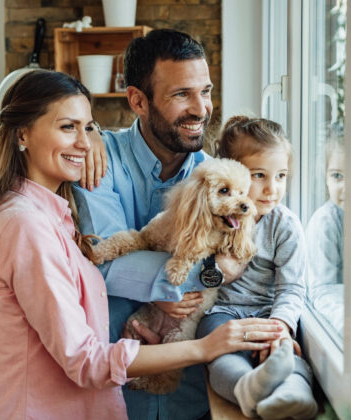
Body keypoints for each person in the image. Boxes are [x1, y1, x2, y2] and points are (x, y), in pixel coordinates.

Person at [0, 70, 283, 420]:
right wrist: (204, 347)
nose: (84, 142)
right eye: (68, 127)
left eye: (88, 127)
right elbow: (85, 360)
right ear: (22, 134)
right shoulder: (25, 224)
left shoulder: (53, 212)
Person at [73, 29, 243, 420]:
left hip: (193, 400)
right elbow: (105, 262)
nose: (201, 108)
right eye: (182, 94)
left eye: (206, 91)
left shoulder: (215, 178)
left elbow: (244, 255)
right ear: (138, 100)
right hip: (116, 398)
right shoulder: (101, 162)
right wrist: (208, 273)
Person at [195, 116, 319, 420]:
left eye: (281, 176)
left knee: (288, 353)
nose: (271, 189)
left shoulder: (285, 226)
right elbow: (196, 266)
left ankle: (294, 393)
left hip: (267, 314)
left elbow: (291, 287)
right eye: (259, 175)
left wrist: (280, 326)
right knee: (221, 358)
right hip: (221, 313)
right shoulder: (216, 218)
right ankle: (245, 387)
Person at [305, 126, 345, 335]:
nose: (347, 187)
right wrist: (347, 324)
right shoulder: (325, 222)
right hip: (343, 319)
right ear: (326, 178)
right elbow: (322, 290)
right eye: (337, 176)